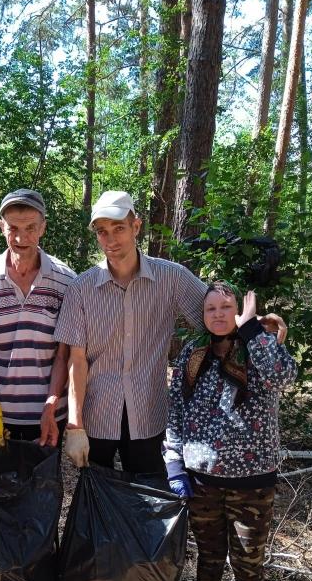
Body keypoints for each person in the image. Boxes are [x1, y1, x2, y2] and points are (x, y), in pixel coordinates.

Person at [56, 190, 288, 472]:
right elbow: (76, 362)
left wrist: (255, 324)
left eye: (119, 228)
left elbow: (217, 316)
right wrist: (75, 425)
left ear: (136, 227)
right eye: (102, 232)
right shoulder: (81, 289)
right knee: (94, 500)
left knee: (148, 499)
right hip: (97, 412)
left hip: (148, 411)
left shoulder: (171, 277)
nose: (111, 239)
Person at [163, 283, 297, 581]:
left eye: (227, 307)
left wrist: (253, 329)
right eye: (211, 308)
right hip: (202, 481)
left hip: (251, 482)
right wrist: (175, 462)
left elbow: (282, 378)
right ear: (201, 315)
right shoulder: (194, 355)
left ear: (239, 311)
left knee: (248, 562)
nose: (219, 314)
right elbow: (176, 412)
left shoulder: (259, 349)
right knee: (207, 556)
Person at [0, 189, 76, 448]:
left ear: (43, 228)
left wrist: (51, 405)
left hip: (48, 416)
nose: (21, 237)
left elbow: (64, 354)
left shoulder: (66, 280)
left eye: (30, 228)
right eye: (13, 228)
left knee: (43, 487)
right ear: (1, 227)